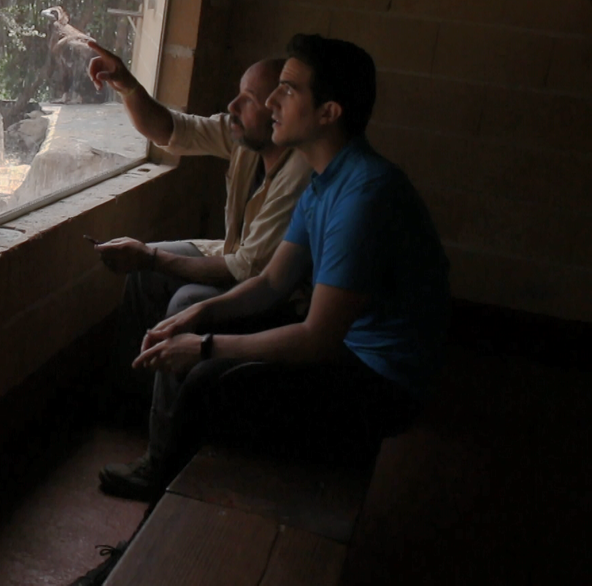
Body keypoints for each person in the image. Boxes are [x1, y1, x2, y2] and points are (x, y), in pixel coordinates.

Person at [132, 34, 450, 495]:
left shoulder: (364, 194)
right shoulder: (324, 178)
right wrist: (199, 315)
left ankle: (153, 527)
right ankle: (162, 505)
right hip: (347, 354)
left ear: (328, 113)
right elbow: (271, 282)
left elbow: (316, 338)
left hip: (383, 383)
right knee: (209, 375)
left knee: (208, 385)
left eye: (288, 90)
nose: (272, 101)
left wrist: (203, 346)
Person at [86, 40, 313, 500]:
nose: (233, 106)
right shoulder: (247, 139)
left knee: (185, 300)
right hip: (239, 263)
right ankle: (132, 407)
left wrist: (149, 255)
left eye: (250, 100)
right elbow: (172, 129)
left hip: (282, 301)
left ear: (277, 114)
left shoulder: (301, 174)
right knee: (147, 273)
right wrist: (127, 84)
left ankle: (161, 460)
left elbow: (249, 272)